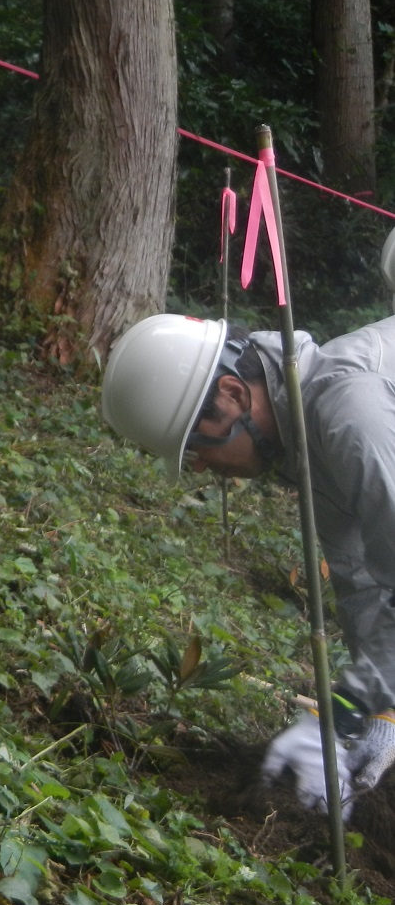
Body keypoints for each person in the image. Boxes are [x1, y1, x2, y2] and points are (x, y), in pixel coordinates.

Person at [100, 312, 395, 820]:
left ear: (235, 394)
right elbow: (365, 583)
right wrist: (383, 710)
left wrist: (342, 716)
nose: (199, 465)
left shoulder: (352, 416)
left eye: (196, 442)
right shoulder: (315, 439)